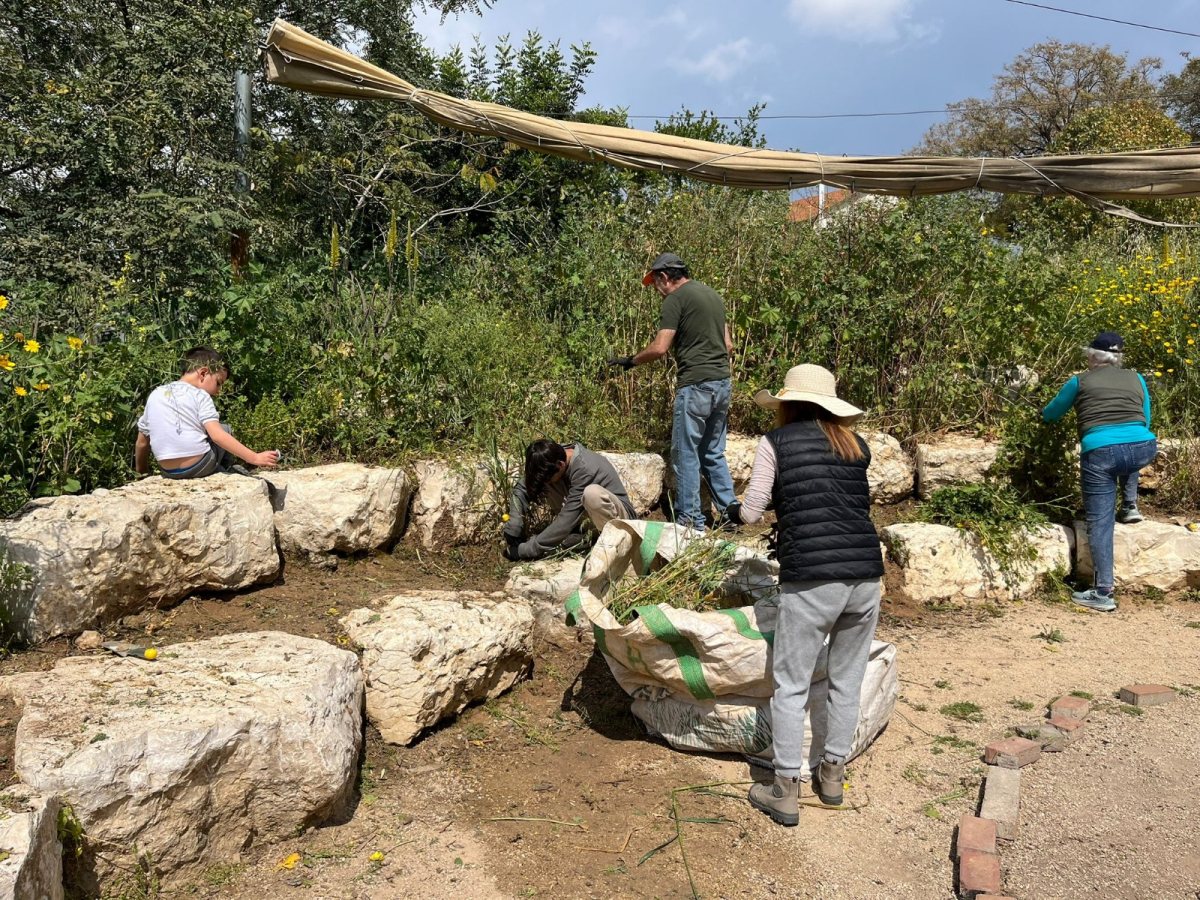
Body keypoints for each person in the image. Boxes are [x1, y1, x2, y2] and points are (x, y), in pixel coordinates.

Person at [736, 364, 883, 827]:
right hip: (866, 577)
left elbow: (751, 512)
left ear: (786, 404)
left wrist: (733, 506)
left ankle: (783, 789)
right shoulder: (856, 445)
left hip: (813, 579)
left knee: (791, 685)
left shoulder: (775, 443)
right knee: (846, 679)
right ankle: (832, 777)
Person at [606, 253, 739, 532]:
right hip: (722, 383)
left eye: (655, 283)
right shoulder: (713, 295)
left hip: (695, 384)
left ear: (664, 277)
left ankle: (691, 521)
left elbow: (660, 347)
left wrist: (630, 361)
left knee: (685, 453)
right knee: (713, 452)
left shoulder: (675, 300)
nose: (656, 290)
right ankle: (731, 514)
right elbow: (728, 346)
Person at [1042, 331, 1157, 612]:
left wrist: (1041, 419)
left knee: (1099, 521)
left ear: (1093, 355)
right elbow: (1145, 418)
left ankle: (1103, 591)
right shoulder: (1136, 377)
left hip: (1101, 451)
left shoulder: (1079, 381)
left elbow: (1051, 413)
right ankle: (1130, 505)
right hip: (1144, 446)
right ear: (1118, 359)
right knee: (1127, 451)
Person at [134, 347, 280, 479]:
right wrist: (254, 458)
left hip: (168, 471)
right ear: (203, 373)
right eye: (218, 383)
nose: (218, 392)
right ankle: (224, 470)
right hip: (200, 466)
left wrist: (142, 474)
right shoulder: (200, 395)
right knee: (224, 429)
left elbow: (141, 443)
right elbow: (217, 436)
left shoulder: (156, 394)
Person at [502, 440, 636, 561]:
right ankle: (584, 538)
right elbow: (523, 487)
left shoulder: (585, 468)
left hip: (620, 520)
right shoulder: (552, 457)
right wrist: (515, 522)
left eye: (549, 479)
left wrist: (526, 550)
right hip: (588, 519)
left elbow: (566, 519)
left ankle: (612, 543)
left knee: (592, 494)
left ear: (560, 465)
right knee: (543, 482)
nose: (547, 483)